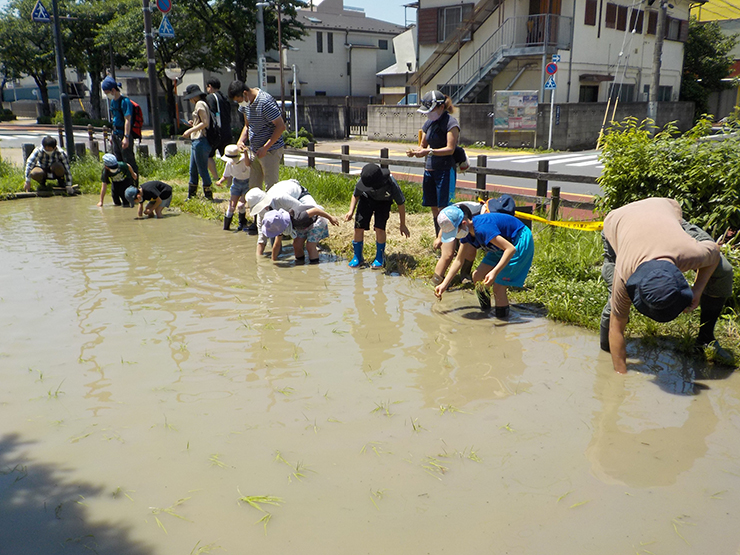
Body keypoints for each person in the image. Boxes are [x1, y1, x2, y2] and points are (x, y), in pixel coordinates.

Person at [600, 197, 735, 374]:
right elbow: (616, 326)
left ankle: (706, 338)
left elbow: (715, 252)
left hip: (664, 211)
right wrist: (620, 375)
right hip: (618, 221)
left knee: (723, 270)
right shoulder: (625, 274)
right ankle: (605, 346)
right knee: (614, 308)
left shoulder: (689, 253)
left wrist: (698, 289)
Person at [433, 204, 535, 319]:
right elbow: (458, 261)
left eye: (455, 233)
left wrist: (494, 272)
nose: (456, 237)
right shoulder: (466, 233)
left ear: (464, 223)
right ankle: (487, 312)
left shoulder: (483, 229)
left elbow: (510, 249)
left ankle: (502, 324)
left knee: (498, 287)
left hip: (518, 241)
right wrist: (444, 285)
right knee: (477, 276)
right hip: (500, 247)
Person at [406, 90, 460, 237]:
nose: (428, 114)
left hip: (444, 169)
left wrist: (429, 152)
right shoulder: (429, 122)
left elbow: (450, 149)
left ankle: (449, 244)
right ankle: (439, 238)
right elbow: (423, 144)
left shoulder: (451, 123)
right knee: (434, 208)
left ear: (441, 107)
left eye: (431, 110)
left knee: (445, 209)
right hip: (430, 169)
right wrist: (416, 152)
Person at [343, 163, 410, 269]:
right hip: (366, 199)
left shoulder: (391, 183)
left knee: (379, 228)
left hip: (384, 202)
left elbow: (400, 204)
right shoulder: (365, 179)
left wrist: (402, 224)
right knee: (358, 227)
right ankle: (358, 256)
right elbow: (356, 195)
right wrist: (351, 211)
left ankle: (379, 257)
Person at [226, 80, 286, 193]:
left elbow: (281, 126)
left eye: (239, 100)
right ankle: (256, 209)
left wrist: (266, 147)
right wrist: (240, 141)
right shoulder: (245, 105)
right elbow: (247, 126)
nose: (240, 104)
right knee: (253, 187)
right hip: (255, 150)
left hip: (270, 150)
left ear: (245, 93)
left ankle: (272, 210)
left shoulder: (265, 102)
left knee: (271, 187)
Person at [247, 179, 318, 257]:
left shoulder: (280, 198)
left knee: (315, 216)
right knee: (275, 242)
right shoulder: (261, 214)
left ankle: (314, 243)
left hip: (299, 194)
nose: (264, 208)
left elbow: (302, 210)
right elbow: (262, 237)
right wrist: (259, 258)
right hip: (284, 210)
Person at [262, 206, 340, 263]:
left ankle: (314, 266)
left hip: (317, 220)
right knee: (296, 244)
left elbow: (316, 210)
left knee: (310, 246)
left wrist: (330, 218)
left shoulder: (298, 218)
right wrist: (273, 261)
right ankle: (300, 263)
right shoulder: (281, 227)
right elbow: (277, 244)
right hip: (304, 225)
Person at [431, 200, 482, 285]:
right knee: (447, 255)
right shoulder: (448, 215)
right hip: (453, 225)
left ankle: (465, 275)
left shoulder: (477, 213)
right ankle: (436, 281)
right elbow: (445, 225)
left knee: (470, 252)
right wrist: (439, 238)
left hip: (466, 226)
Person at [101, 76, 138, 184]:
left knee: (128, 161)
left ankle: (134, 185)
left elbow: (127, 120)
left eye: (107, 92)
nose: (107, 94)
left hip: (124, 135)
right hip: (116, 134)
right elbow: (114, 120)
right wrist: (112, 135)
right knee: (118, 161)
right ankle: (123, 184)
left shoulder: (125, 101)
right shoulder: (113, 102)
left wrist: (126, 137)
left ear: (113, 90)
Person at [181, 84, 213, 200]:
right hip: (197, 140)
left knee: (202, 169)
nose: (190, 100)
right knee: (193, 169)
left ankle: (208, 196)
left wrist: (190, 130)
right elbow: (201, 122)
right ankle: (191, 195)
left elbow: (205, 123)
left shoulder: (200, 104)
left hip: (200, 140)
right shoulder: (202, 104)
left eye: (190, 97)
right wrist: (193, 124)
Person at [216, 144, 252, 231]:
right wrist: (220, 181)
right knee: (232, 207)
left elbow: (248, 164)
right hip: (236, 184)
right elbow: (226, 175)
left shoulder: (244, 161)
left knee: (240, 205)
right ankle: (226, 227)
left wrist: (245, 153)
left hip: (247, 183)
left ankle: (242, 222)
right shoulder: (229, 164)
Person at [206, 78, 233, 182]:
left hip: (216, 133)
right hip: (227, 131)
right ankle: (229, 180)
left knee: (209, 156)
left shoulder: (210, 98)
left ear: (210, 86)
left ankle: (216, 177)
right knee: (228, 157)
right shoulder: (224, 97)